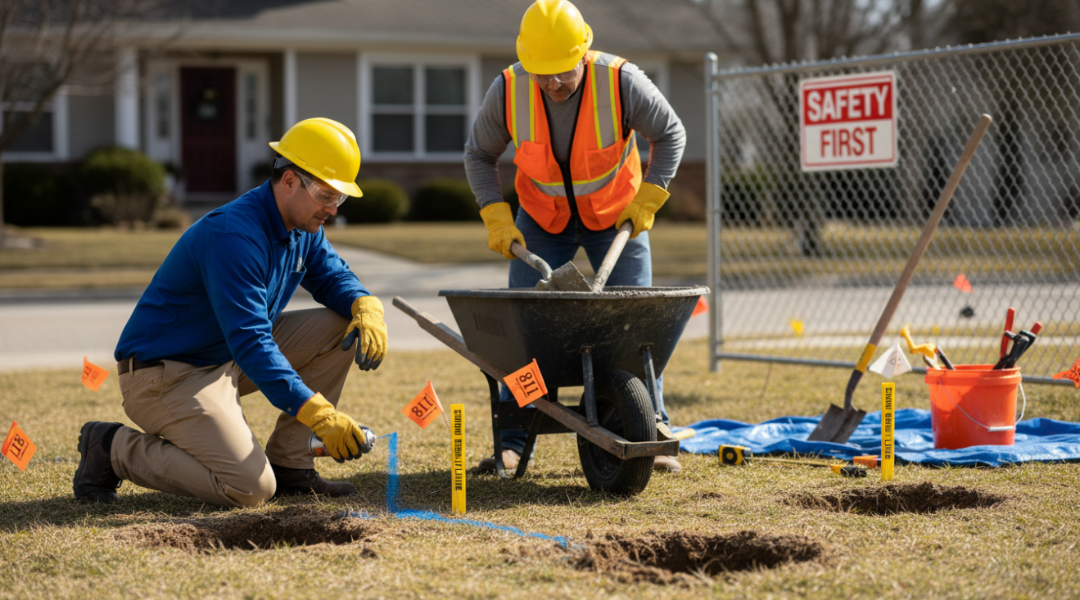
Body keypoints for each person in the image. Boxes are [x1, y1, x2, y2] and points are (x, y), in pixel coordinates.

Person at [73, 117, 388, 506]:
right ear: (289, 180)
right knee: (251, 488)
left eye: (338, 198)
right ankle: (111, 448)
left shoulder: (304, 227)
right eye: (326, 194)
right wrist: (319, 415)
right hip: (166, 376)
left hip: (225, 357)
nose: (332, 209)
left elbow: (333, 278)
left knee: (342, 325)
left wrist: (364, 303)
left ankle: (291, 464)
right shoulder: (234, 238)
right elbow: (252, 343)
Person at [464, 0, 687, 474]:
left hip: (616, 218)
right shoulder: (508, 89)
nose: (552, 83)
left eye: (563, 71)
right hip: (541, 224)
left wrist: (649, 197)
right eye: (541, 72)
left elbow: (670, 133)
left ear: (583, 54)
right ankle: (515, 436)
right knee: (523, 333)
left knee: (639, 326)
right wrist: (497, 217)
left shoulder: (620, 80)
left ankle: (652, 428)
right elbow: (479, 155)